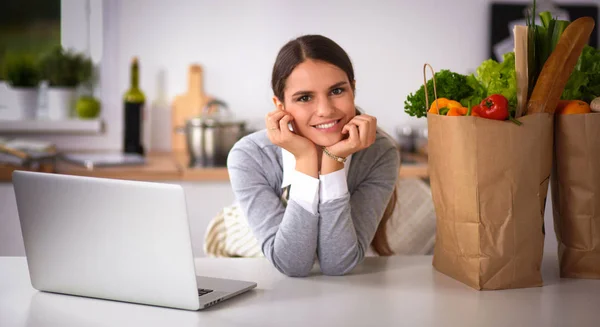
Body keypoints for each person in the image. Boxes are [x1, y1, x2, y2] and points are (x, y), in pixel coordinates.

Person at [227, 34, 399, 277]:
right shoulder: (250, 156)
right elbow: (291, 264)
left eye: (337, 90)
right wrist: (307, 160)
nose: (325, 111)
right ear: (280, 106)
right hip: (254, 270)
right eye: (305, 98)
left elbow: (338, 264)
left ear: (353, 89)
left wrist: (333, 162)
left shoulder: (379, 153)